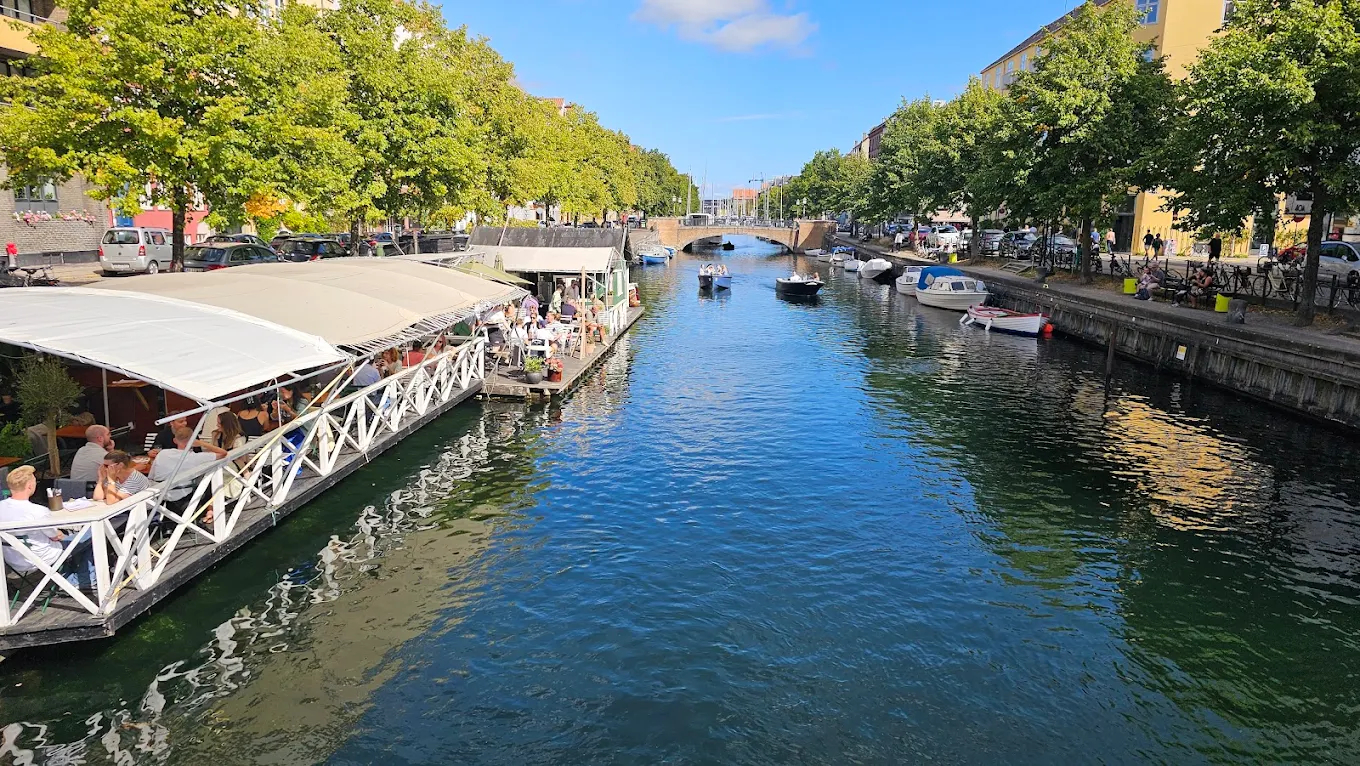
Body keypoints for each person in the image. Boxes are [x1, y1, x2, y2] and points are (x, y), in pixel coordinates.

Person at [0, 465, 93, 588]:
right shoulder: (37, 511)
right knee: (92, 533)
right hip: (43, 557)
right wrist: (61, 534)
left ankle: (68, 576)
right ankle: (81, 580)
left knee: (73, 540)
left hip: (13, 560)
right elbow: (56, 536)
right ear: (30, 486)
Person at [151, 425, 227, 515]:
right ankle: (210, 511)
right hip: (181, 494)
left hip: (160, 495)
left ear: (175, 441)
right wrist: (202, 443)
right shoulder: (195, 457)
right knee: (208, 480)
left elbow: (151, 476)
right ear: (194, 441)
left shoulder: (162, 453)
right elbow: (223, 453)